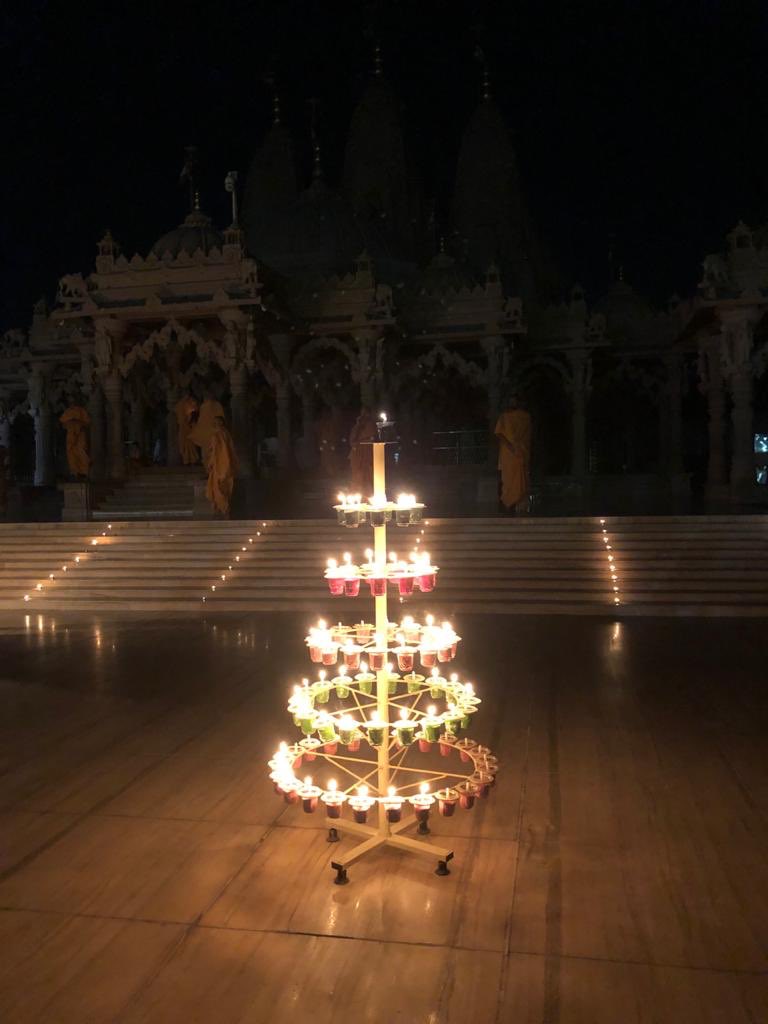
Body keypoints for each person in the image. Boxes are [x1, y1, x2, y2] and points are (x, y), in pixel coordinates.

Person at [494, 393, 531, 512]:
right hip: (510, 454)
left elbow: (528, 435)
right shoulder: (505, 417)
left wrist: (515, 446)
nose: (512, 404)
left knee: (519, 478)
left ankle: (517, 505)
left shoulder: (525, 417)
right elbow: (499, 433)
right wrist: (511, 446)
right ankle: (509, 504)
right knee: (509, 479)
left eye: (514, 401)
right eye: (511, 402)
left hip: (519, 453)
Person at [206, 415, 238, 515]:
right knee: (224, 488)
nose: (214, 424)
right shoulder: (226, 434)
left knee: (219, 488)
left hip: (220, 466)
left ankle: (223, 509)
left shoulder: (217, 436)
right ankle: (224, 509)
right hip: (226, 466)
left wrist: (210, 463)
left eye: (215, 423)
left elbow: (215, 452)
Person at [190, 389, 225, 463]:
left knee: (212, 455)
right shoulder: (208, 406)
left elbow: (220, 419)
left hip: (212, 434)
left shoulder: (211, 406)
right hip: (210, 434)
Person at [348, 406, 377, 492]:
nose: (363, 414)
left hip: (366, 451)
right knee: (357, 471)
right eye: (362, 412)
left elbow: (371, 437)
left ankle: (368, 491)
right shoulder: (358, 424)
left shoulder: (371, 423)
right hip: (358, 451)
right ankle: (357, 490)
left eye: (365, 412)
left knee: (368, 471)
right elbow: (353, 437)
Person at [60, 402, 91, 478]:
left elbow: (87, 422)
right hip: (71, 433)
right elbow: (63, 423)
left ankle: (83, 471)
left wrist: (77, 424)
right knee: (71, 452)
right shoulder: (68, 412)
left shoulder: (81, 411)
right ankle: (75, 471)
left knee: (81, 451)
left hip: (79, 433)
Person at [175, 393, 199, 464]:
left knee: (190, 444)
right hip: (183, 427)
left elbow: (195, 410)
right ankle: (186, 461)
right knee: (184, 444)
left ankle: (192, 460)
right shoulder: (180, 404)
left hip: (189, 427)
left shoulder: (191, 403)